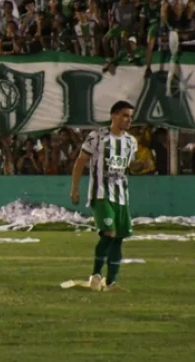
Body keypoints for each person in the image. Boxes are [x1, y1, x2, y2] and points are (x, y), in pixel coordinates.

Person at [70, 101, 144, 292]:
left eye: (131, 116)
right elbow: (81, 162)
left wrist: (138, 167)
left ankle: (111, 283)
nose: (129, 120)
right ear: (114, 116)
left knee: (118, 237)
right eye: (125, 115)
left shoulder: (131, 142)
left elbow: (127, 168)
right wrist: (75, 188)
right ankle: (95, 274)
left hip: (121, 196)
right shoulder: (97, 136)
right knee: (109, 232)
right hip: (100, 193)